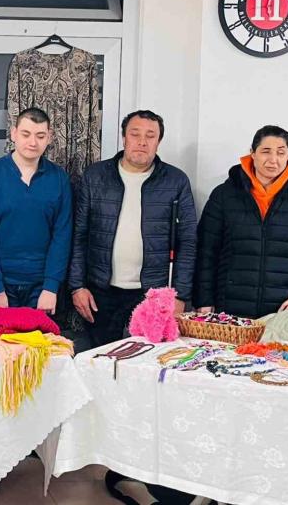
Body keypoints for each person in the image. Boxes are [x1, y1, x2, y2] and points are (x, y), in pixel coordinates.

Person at [69, 110, 197, 348]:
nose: (142, 142)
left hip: (153, 294)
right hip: (100, 292)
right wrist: (77, 286)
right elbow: (79, 235)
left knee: (147, 362)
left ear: (158, 141)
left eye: (150, 136)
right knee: (100, 360)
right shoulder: (95, 176)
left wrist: (180, 296)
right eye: (135, 134)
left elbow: (188, 242)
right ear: (124, 138)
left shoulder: (176, 181)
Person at [194, 125, 288, 318]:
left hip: (281, 313)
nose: (273, 159)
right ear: (253, 153)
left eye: (280, 152)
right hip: (228, 310)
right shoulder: (224, 195)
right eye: (266, 151)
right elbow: (206, 249)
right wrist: (204, 299)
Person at [0, 107, 72, 311]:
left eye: (40, 136)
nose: (33, 142)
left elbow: (62, 235)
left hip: (42, 287)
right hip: (1, 285)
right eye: (26, 134)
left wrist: (51, 287)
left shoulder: (59, 178)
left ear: (49, 137)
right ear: (14, 133)